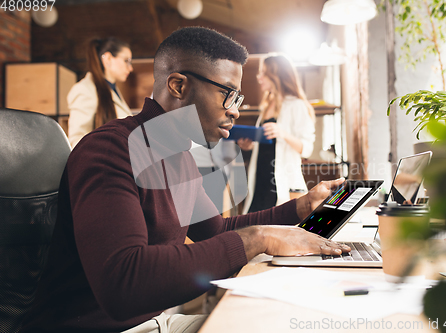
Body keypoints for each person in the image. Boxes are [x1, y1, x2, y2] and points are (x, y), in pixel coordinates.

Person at [20, 27, 349, 333]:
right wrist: (257, 238)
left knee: (288, 321)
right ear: (178, 85)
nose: (235, 110)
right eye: (228, 94)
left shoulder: (177, 156)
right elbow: (123, 282)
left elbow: (217, 231)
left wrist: (302, 207)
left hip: (153, 322)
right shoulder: (111, 149)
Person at [238, 54, 316, 213]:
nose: (259, 77)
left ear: (277, 76)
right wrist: (250, 145)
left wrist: (283, 133)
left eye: (264, 73)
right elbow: (269, 146)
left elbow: (307, 148)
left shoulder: (297, 105)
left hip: (281, 182)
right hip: (260, 179)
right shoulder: (266, 106)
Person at [67, 37, 134, 148]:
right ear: (107, 59)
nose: (130, 68)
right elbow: (77, 142)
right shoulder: (85, 89)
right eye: (126, 61)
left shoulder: (112, 90)